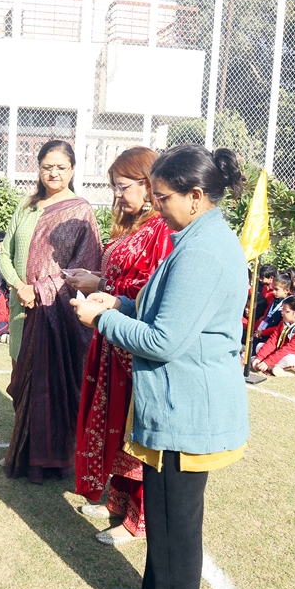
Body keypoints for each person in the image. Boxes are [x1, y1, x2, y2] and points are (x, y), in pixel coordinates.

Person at [71, 144, 249, 589]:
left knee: (176, 525)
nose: (157, 206)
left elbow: (164, 340)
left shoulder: (203, 250)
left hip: (186, 410)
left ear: (196, 196)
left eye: (164, 197)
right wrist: (121, 304)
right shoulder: (195, 238)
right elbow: (165, 313)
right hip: (175, 405)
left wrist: (102, 320)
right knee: (168, 516)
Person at [68, 146, 174, 546]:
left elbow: (152, 292)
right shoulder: (132, 227)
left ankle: (136, 519)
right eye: (114, 186)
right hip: (111, 340)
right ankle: (116, 502)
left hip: (134, 347)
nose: (117, 194)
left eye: (123, 186)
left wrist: (101, 286)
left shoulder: (161, 230)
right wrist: (97, 282)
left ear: (148, 185)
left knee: (133, 431)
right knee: (111, 425)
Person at [0, 139, 102, 484]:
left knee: (52, 388)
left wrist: (40, 289)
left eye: (61, 167)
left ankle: (50, 461)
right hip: (22, 308)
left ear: (72, 170)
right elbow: (4, 253)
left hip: (57, 315)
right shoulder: (26, 206)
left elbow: (86, 266)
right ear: (39, 168)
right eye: (47, 166)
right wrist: (20, 286)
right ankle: (22, 450)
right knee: (22, 380)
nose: (53, 173)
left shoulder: (80, 210)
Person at [251, 296, 295, 376]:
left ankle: (275, 367)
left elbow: (289, 349)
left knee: (288, 359)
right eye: (282, 309)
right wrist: (259, 357)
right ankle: (276, 368)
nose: (282, 312)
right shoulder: (284, 322)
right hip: (283, 352)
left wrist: (267, 362)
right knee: (260, 346)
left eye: (286, 310)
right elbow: (273, 341)